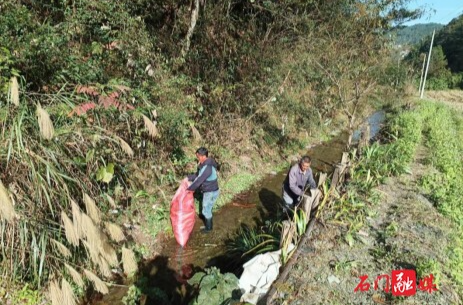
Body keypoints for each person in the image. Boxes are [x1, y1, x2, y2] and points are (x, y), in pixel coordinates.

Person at [187, 147, 220, 233]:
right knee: (208, 208)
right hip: (212, 190)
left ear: (203, 156)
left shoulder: (207, 167)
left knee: (206, 210)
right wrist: (188, 178)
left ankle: (209, 228)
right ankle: (209, 225)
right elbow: (198, 175)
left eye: (198, 157)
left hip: (210, 192)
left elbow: (199, 180)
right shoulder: (206, 164)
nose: (197, 159)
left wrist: (189, 189)